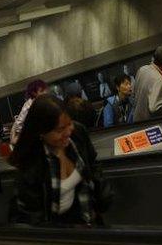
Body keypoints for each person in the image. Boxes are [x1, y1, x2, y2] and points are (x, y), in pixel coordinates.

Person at [9, 95, 110, 226]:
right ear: (41, 133)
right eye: (60, 129)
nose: (68, 131)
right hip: (56, 231)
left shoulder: (78, 133)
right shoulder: (31, 165)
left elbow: (92, 164)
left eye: (69, 123)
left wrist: (101, 197)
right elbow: (32, 219)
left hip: (87, 217)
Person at [132, 45, 162, 121]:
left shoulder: (142, 69)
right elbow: (155, 108)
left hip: (136, 121)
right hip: (149, 125)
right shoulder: (159, 79)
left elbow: (134, 93)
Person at [10, 80, 48, 146]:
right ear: (34, 93)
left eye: (45, 90)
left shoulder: (40, 102)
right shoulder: (29, 105)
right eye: (42, 91)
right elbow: (19, 124)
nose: (45, 93)